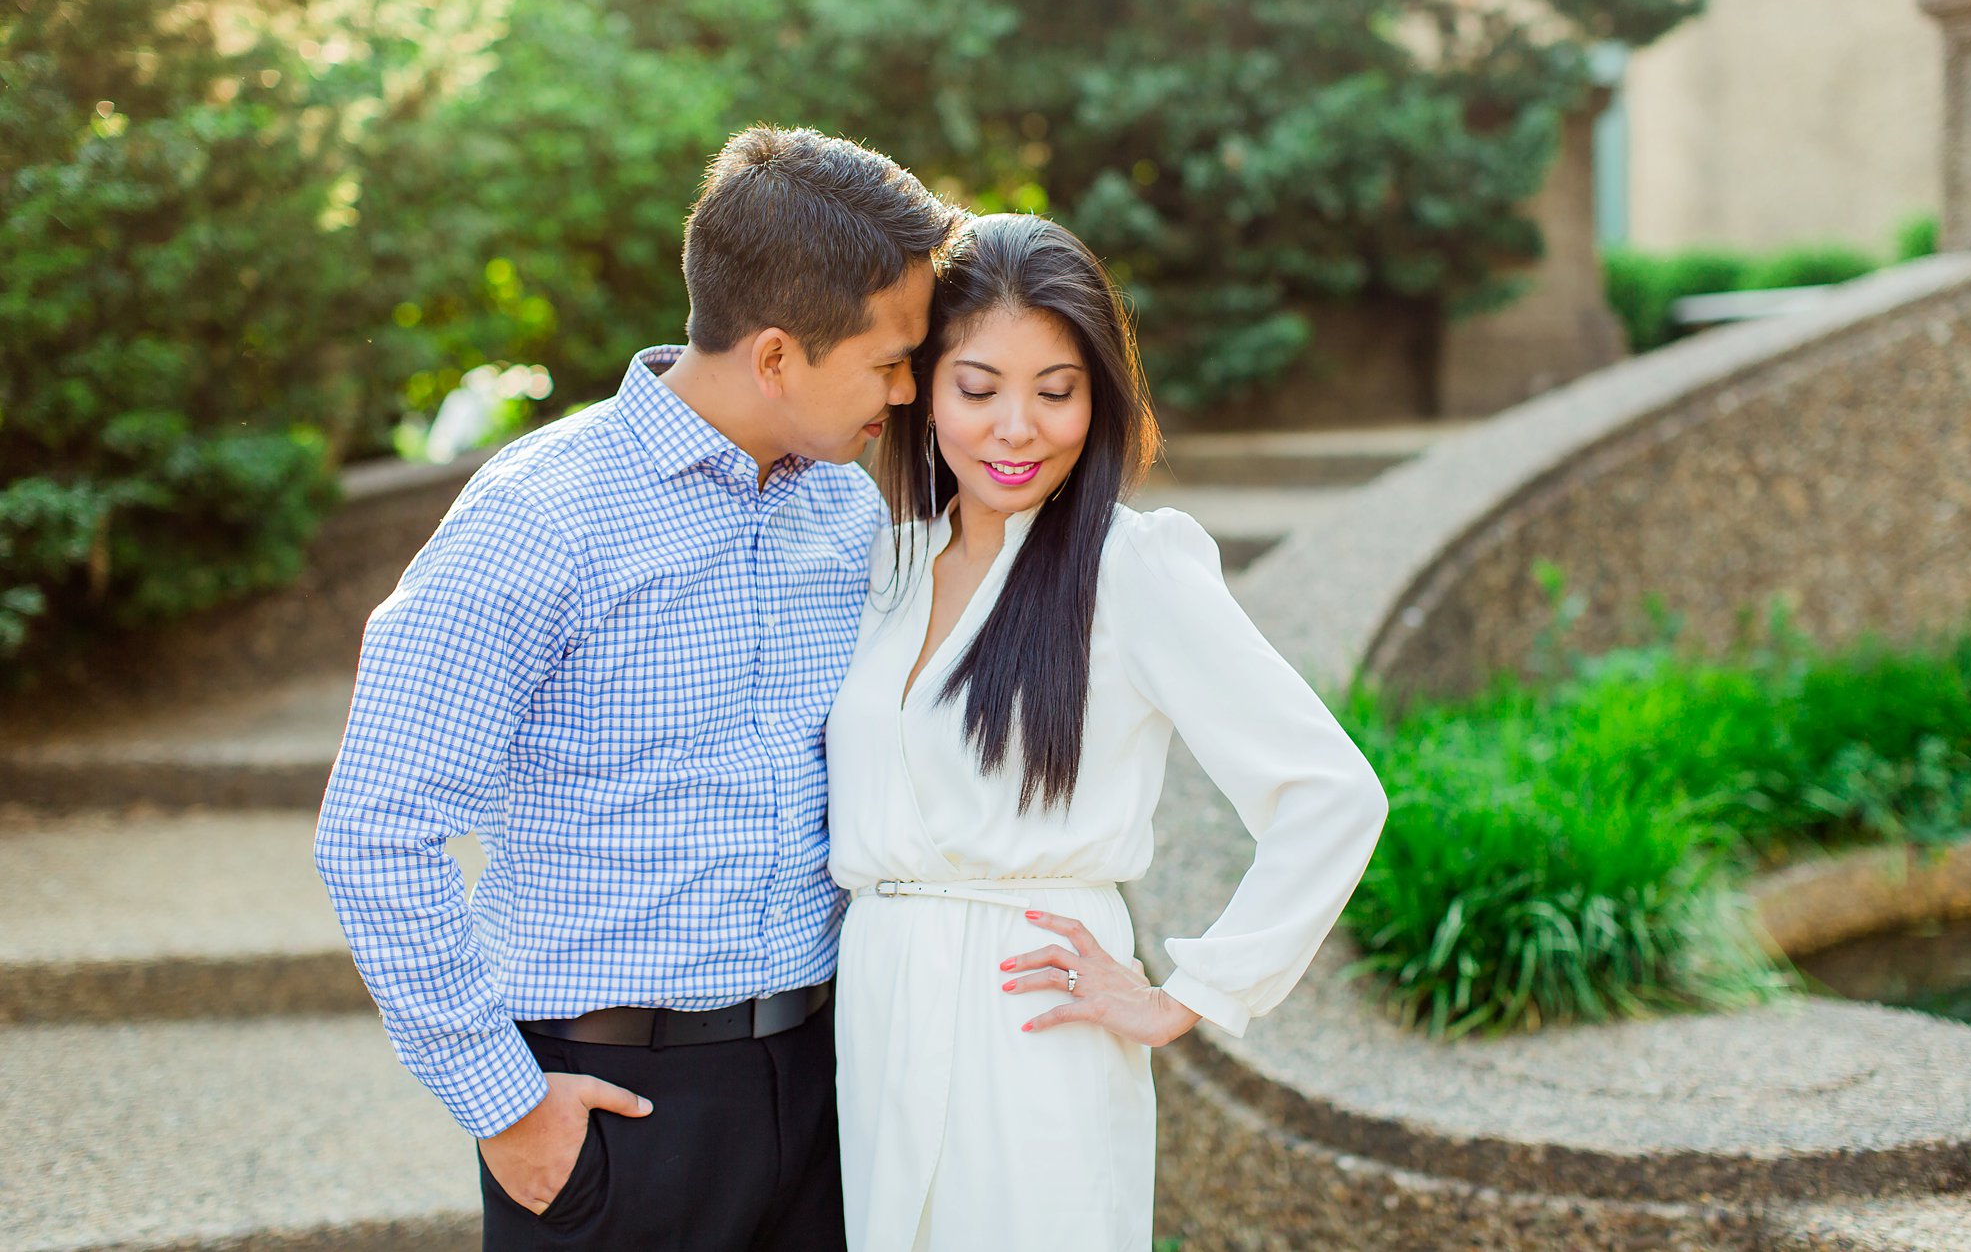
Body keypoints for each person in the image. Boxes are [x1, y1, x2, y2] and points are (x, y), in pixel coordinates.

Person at [314, 125, 958, 1251]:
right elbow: (376, 830)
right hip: (610, 1108)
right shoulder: (538, 518)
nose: (908, 393)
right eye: (889, 359)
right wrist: (504, 1105)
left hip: (819, 1087)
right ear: (774, 357)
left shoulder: (844, 513)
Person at [825, 213, 1391, 1251]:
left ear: (1098, 397)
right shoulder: (886, 566)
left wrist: (1190, 994)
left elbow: (1329, 793)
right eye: (978, 387)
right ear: (924, 389)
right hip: (875, 1008)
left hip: (1031, 1015)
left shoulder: (1131, 567)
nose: (1016, 428)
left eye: (1056, 390)